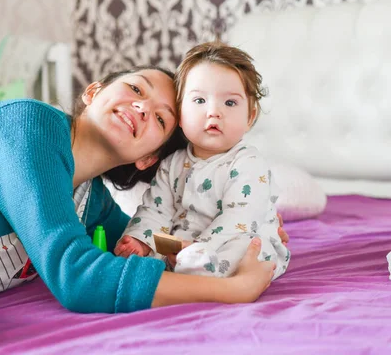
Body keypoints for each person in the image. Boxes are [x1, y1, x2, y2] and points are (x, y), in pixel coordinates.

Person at [0, 65, 288, 354]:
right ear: (94, 91)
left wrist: (241, 242)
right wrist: (237, 290)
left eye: (162, 118)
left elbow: (150, 247)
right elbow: (77, 277)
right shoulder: (28, 125)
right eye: (135, 88)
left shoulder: (91, 205)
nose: (142, 108)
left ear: (148, 158)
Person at [115, 42, 291, 280]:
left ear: (249, 117)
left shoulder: (248, 163)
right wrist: (141, 240)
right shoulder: (171, 165)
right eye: (199, 101)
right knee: (151, 241)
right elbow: (156, 210)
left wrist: (200, 248)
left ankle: (199, 266)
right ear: (179, 114)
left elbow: (239, 218)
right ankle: (181, 263)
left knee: (249, 247)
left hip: (232, 238)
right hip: (182, 245)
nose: (213, 112)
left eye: (229, 103)